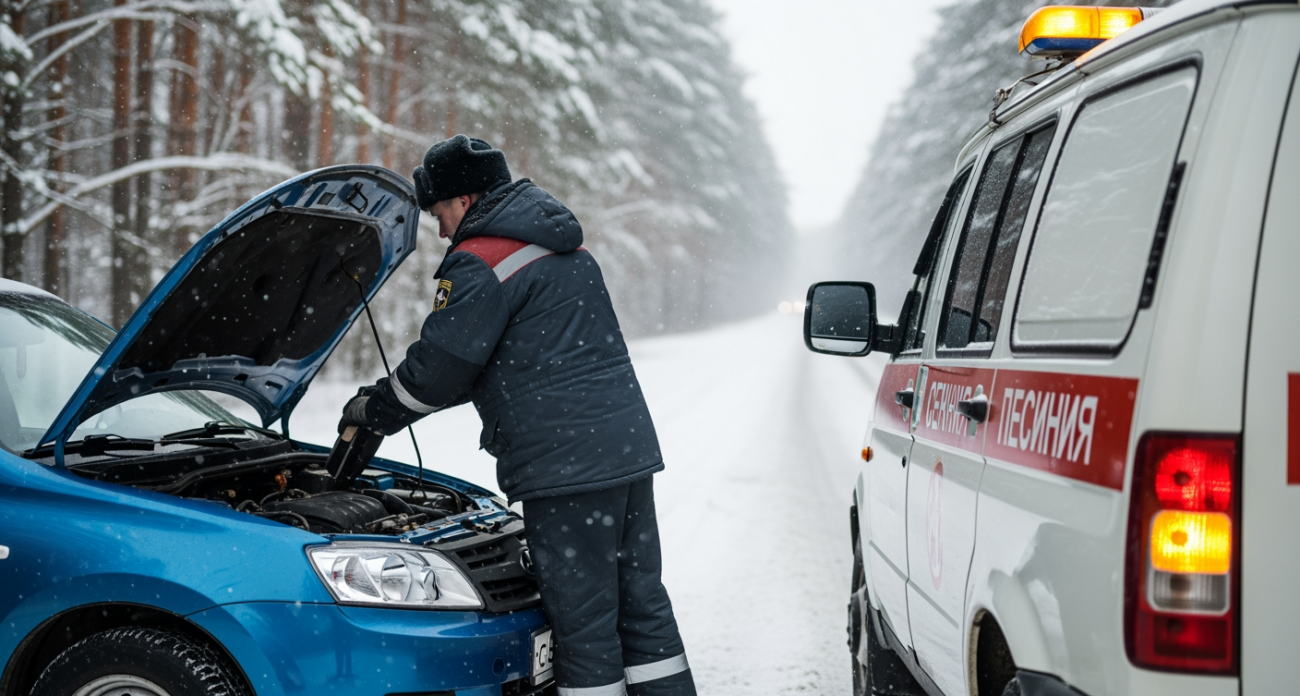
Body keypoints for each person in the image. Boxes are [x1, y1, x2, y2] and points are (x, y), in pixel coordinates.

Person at [338, 135, 696, 696]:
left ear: (465, 197)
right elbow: (507, 363)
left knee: (583, 621)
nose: (440, 231)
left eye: (438, 213)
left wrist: (375, 409)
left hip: (563, 470)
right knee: (642, 603)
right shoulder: (565, 248)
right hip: (624, 452)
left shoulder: (481, 261)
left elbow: (441, 369)